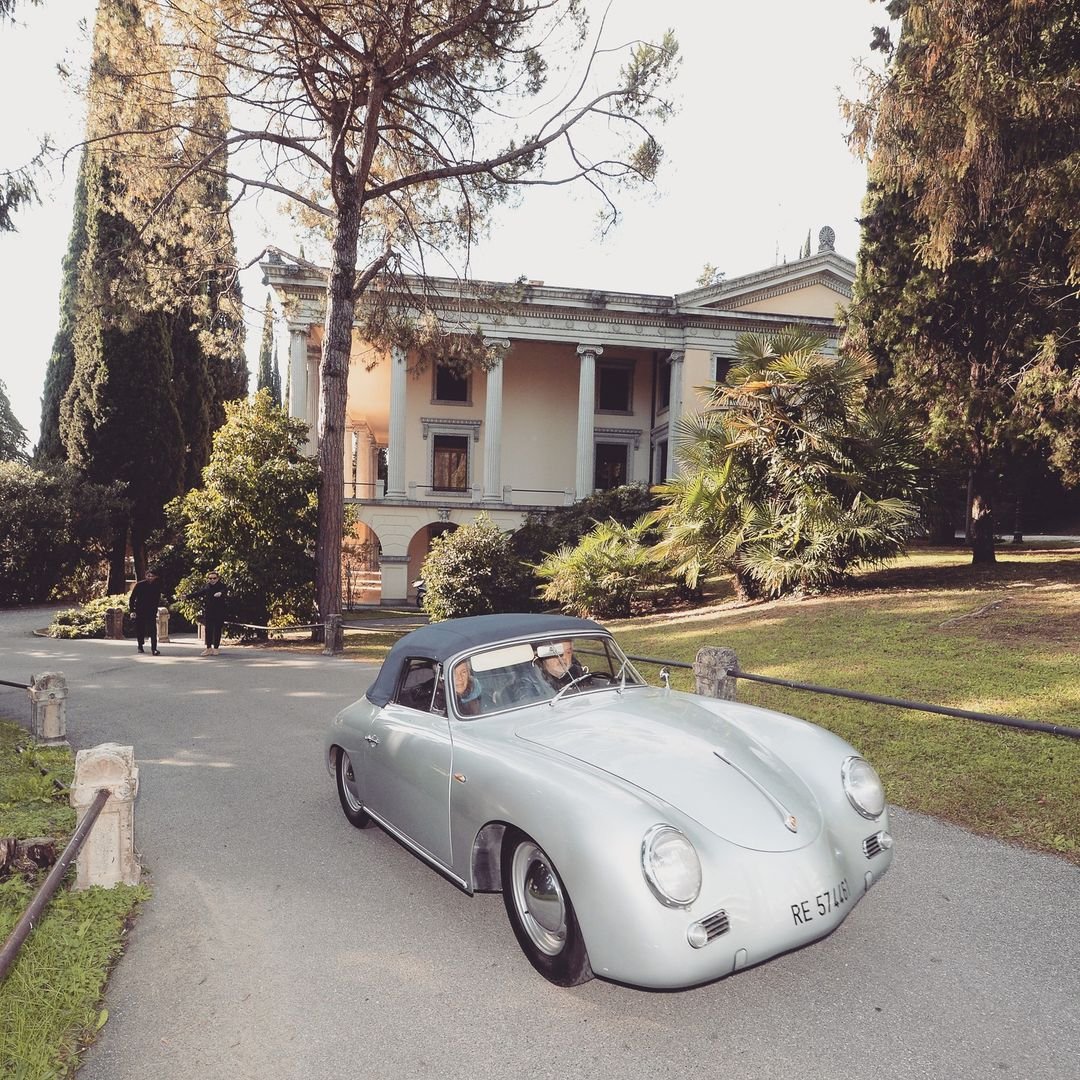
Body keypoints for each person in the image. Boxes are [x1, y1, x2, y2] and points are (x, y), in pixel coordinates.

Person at [186, 570, 229, 656]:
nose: (212, 580)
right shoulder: (207, 587)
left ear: (218, 578)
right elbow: (198, 593)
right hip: (209, 611)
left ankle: (216, 648)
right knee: (208, 629)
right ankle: (208, 648)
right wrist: (187, 596)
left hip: (219, 611)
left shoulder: (222, 586)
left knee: (217, 629)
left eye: (214, 578)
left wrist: (220, 593)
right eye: (210, 578)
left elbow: (225, 591)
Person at [129, 568, 163, 655]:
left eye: (152, 576)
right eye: (148, 576)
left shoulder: (157, 586)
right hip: (140, 610)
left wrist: (155, 609)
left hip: (151, 611)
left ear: (155, 577)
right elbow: (132, 598)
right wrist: (132, 610)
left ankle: (154, 649)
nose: (150, 578)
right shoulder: (140, 585)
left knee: (153, 630)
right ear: (145, 576)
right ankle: (140, 645)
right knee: (140, 628)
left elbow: (157, 599)